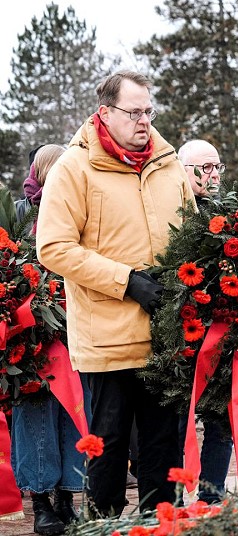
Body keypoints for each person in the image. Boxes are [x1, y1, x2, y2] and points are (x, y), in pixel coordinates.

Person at [36, 70, 196, 517]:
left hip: (165, 337)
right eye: (133, 112)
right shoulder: (74, 167)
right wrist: (126, 281)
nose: (143, 120)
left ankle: (161, 524)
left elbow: (191, 234)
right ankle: (103, 525)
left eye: (149, 111)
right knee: (106, 449)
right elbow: (53, 247)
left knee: (163, 452)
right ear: (105, 113)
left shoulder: (169, 165)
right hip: (107, 341)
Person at [11, 144, 91, 536]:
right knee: (36, 415)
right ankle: (40, 501)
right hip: (33, 334)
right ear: (41, 173)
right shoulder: (21, 213)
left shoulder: (84, 208)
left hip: (74, 329)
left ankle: (68, 498)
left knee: (74, 415)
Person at [177, 139, 233, 503]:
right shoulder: (171, 211)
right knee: (174, 423)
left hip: (221, 332)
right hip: (177, 333)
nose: (212, 175)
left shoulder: (230, 215)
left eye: (217, 167)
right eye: (203, 168)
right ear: (183, 171)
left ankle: (212, 492)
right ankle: (173, 494)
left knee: (220, 420)